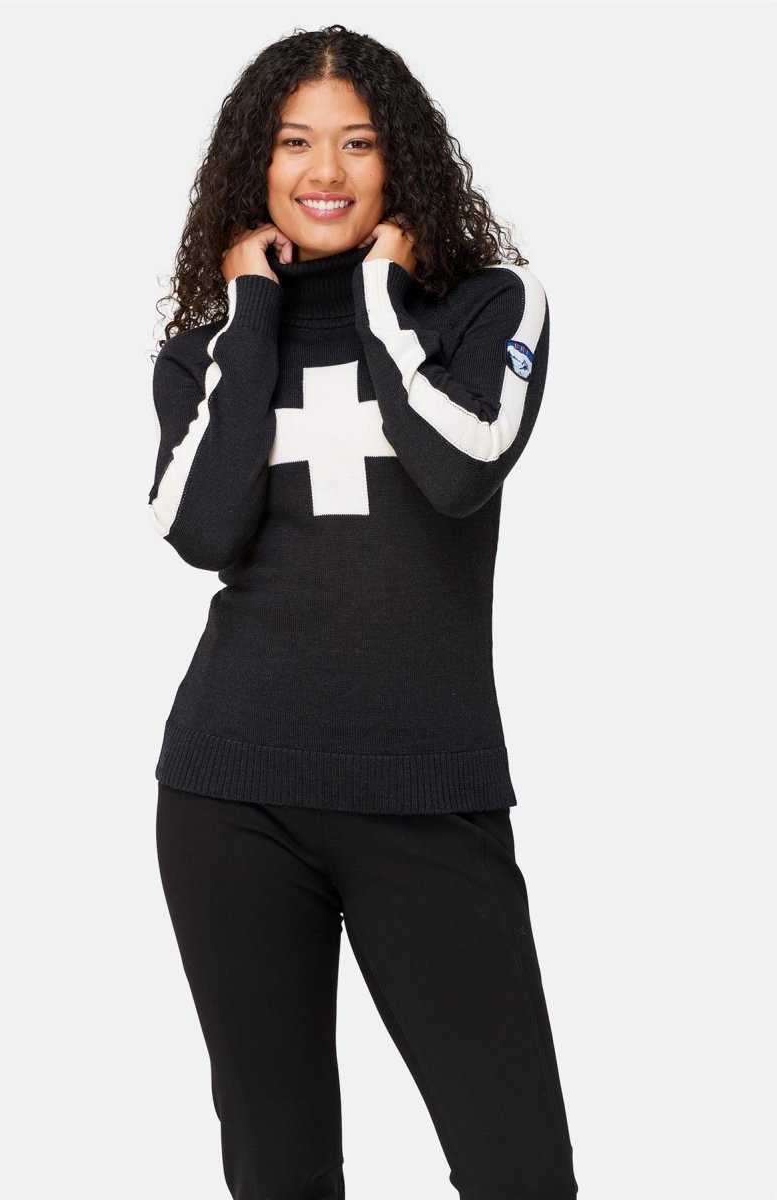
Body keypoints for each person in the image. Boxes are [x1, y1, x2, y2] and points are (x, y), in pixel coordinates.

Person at [149, 24, 579, 1200]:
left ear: (403, 161)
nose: (324, 170)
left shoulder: (492, 308)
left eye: (358, 141)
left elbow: (459, 469)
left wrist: (383, 300)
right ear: (256, 164)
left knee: (519, 1171)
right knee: (280, 1172)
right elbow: (200, 529)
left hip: (426, 796)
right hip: (232, 797)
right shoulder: (206, 354)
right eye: (294, 143)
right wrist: (251, 313)